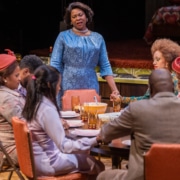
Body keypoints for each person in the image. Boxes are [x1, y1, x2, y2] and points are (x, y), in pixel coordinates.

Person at [22, 65, 105, 178]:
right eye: (58, 84)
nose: (59, 88)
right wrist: (95, 140)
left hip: (36, 161)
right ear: (49, 85)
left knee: (84, 156)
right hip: (49, 163)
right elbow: (65, 146)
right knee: (97, 165)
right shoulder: (46, 108)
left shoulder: (35, 102)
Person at [96, 68, 180, 180]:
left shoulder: (137, 109)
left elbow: (105, 134)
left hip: (142, 176)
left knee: (103, 176)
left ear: (150, 89)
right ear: (173, 87)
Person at [50, 1, 119, 107]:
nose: (78, 18)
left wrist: (115, 90)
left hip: (90, 84)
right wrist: (54, 86)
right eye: (74, 16)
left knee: (90, 116)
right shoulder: (63, 36)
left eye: (80, 15)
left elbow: (105, 65)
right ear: (70, 21)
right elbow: (55, 64)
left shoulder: (98, 38)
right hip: (67, 84)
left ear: (87, 17)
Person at [113, 38, 180, 105]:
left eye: (157, 59)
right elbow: (146, 99)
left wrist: (122, 99)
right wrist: (121, 99)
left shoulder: (173, 79)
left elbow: (146, 100)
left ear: (167, 61)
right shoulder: (159, 77)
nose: (154, 63)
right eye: (153, 59)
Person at [0, 53, 25, 165]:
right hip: (13, 150)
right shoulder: (5, 98)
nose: (20, 79)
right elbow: (24, 125)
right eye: (16, 76)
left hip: (20, 144)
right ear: (5, 78)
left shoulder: (10, 93)